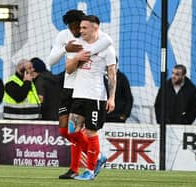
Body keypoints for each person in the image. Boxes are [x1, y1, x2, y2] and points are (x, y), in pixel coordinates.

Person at [46, 9, 113, 179]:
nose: (76, 31)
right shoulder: (64, 36)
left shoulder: (94, 37)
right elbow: (50, 61)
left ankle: (75, 168)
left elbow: (107, 43)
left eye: (78, 26)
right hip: (69, 88)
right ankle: (97, 157)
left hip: (86, 90)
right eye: (72, 27)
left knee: (81, 130)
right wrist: (64, 48)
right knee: (66, 132)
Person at [65, 15, 116, 180]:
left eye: (84, 28)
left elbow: (112, 74)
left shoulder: (107, 47)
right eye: (80, 28)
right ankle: (99, 157)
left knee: (91, 132)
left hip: (95, 96)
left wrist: (111, 97)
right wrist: (77, 58)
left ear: (95, 28)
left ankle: (90, 171)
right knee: (72, 132)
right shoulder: (80, 46)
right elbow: (68, 69)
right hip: (78, 94)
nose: (81, 31)